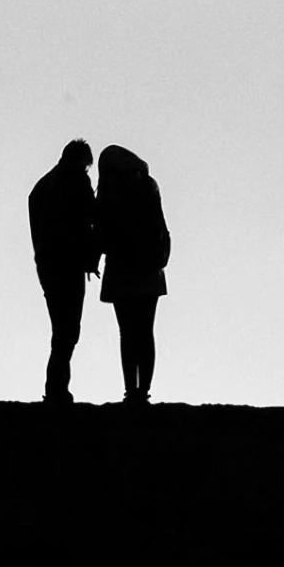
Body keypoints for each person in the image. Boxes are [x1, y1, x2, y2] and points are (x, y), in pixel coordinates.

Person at [94, 144, 170, 405]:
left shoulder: (109, 194)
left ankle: (131, 390)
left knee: (127, 333)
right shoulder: (148, 187)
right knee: (145, 332)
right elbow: (160, 228)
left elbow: (102, 236)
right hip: (149, 269)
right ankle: (143, 391)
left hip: (121, 269)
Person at [28, 139, 99, 403]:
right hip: (68, 266)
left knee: (61, 327)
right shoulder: (76, 182)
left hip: (47, 266)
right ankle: (56, 388)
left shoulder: (41, 187)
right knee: (68, 330)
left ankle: (56, 386)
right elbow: (91, 215)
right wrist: (90, 255)